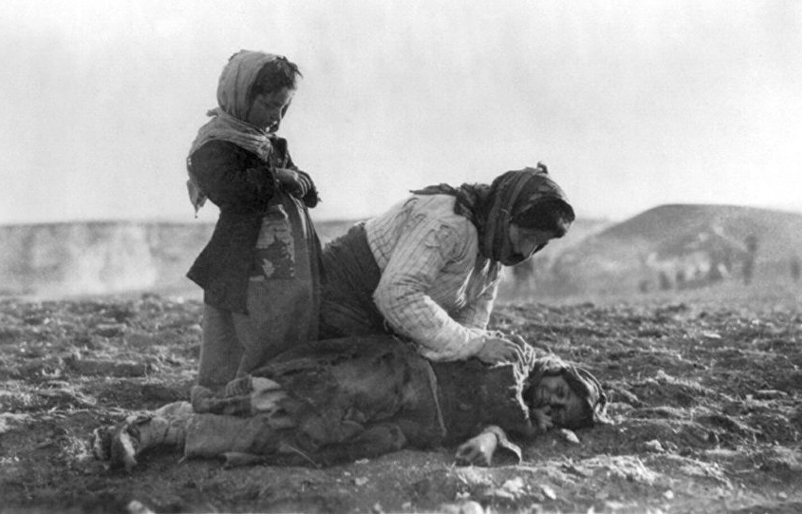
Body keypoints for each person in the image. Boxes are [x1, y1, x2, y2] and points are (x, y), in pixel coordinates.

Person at [91, 336, 607, 471]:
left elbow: (499, 430)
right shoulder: (518, 359)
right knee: (303, 397)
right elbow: (502, 390)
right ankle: (160, 422)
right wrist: (520, 422)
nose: (551, 403)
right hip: (399, 377)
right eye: (559, 392)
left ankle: (171, 433)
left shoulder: (523, 420)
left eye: (562, 411)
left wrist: (496, 437)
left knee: (307, 441)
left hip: (409, 425)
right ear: (554, 370)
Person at [317, 163, 575, 364]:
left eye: (540, 244)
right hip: (342, 297)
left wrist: (479, 348)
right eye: (527, 236)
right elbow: (397, 295)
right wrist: (476, 346)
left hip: (385, 318)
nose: (525, 251)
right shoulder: (448, 223)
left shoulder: (492, 255)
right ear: (506, 213)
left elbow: (470, 323)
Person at [185, 50, 324, 398]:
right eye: (269, 106)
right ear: (241, 96)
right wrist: (277, 176)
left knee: (287, 319)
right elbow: (229, 190)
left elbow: (301, 184)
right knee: (242, 328)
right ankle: (228, 395)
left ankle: (276, 385)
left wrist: (303, 184)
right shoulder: (214, 145)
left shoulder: (269, 143)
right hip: (243, 256)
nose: (277, 117)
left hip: (287, 256)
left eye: (283, 108)